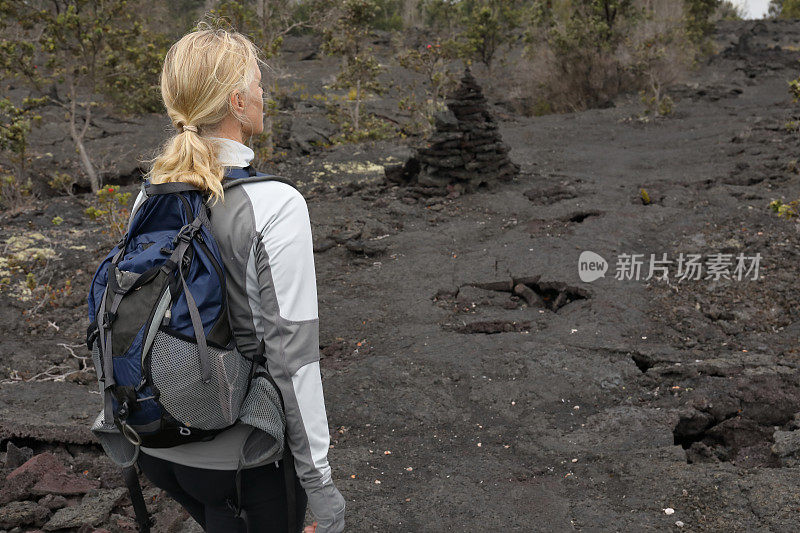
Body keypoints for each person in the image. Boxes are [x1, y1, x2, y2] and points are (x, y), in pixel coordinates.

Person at [129, 24, 346, 533]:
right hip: (244, 459)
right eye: (257, 84)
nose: (263, 93)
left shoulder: (150, 197)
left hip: (159, 448)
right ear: (237, 102)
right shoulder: (276, 205)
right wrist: (319, 483)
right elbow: (293, 360)